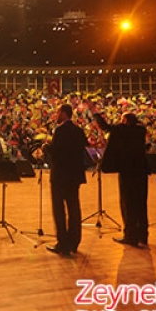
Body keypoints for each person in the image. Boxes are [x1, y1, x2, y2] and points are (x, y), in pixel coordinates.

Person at [94, 112, 149, 247]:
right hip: (141, 171)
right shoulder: (141, 130)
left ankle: (130, 236)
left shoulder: (123, 130)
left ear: (125, 120)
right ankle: (143, 235)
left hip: (128, 171)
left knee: (128, 204)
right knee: (141, 204)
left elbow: (106, 127)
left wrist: (96, 114)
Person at [43, 103, 90, 256]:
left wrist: (46, 147)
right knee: (74, 208)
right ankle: (74, 242)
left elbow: (56, 152)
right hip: (75, 176)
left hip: (60, 176)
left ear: (64, 113)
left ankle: (62, 243)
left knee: (59, 210)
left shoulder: (60, 131)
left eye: (57, 112)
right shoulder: (78, 131)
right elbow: (84, 149)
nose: (56, 116)